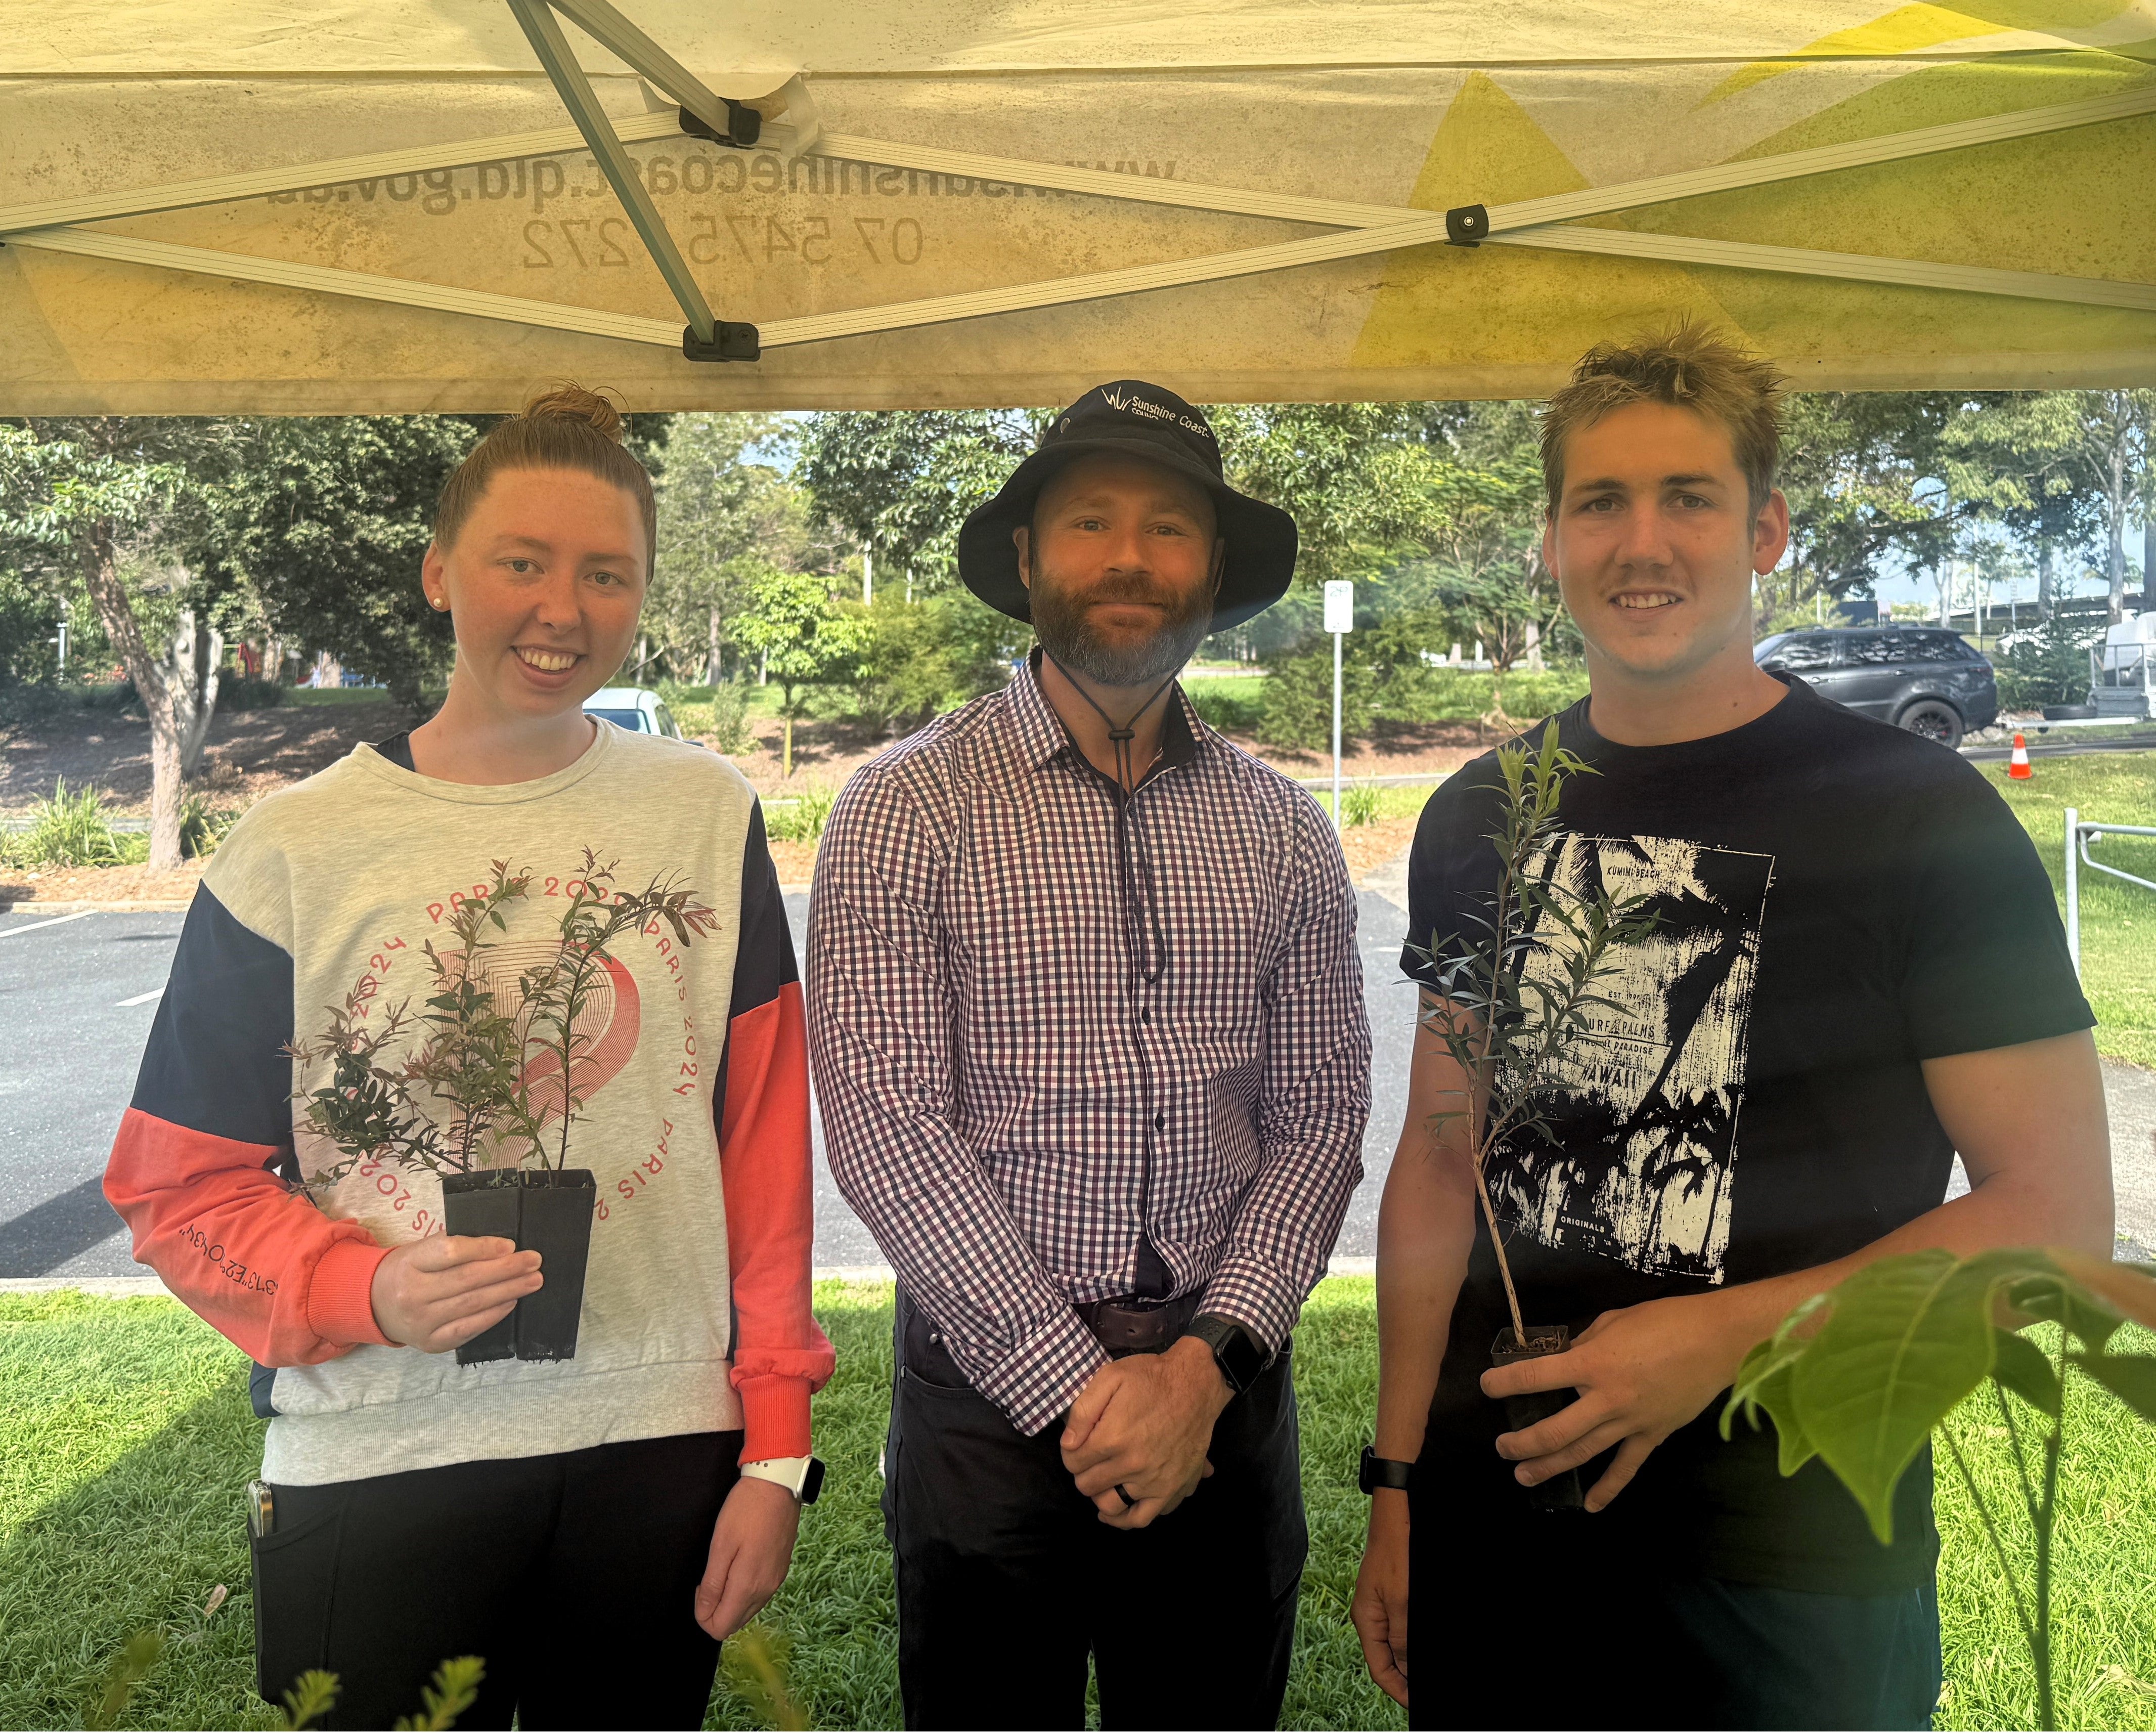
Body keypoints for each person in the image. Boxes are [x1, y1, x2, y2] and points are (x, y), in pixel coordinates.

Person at [1350, 324, 2113, 1731]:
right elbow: (1442, 1160)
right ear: (1551, 539)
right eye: (1601, 500)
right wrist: (1398, 1483)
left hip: (1793, 1556)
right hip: (1503, 1518)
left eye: (1688, 496)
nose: (1644, 542)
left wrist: (1718, 1340)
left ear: (1764, 528)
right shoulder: (1476, 815)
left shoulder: (1918, 819)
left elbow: (2056, 1215)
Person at [104, 386, 834, 1730]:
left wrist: (775, 1445)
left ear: (645, 593)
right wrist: (364, 1286)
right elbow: (177, 1189)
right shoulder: (292, 853)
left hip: (656, 1446)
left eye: (605, 574)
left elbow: (763, 1146)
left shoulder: (703, 815)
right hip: (372, 1452)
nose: (563, 610)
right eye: (522, 562)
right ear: (441, 571)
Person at [806, 380, 1370, 1730]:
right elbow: (887, 1125)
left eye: (1169, 527)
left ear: (1214, 570)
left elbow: (1325, 1112)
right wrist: (1081, 1389)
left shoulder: (1285, 830)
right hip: (988, 1418)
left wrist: (1200, 1374)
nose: (1130, 557)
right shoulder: (905, 808)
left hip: (1226, 1391)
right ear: (1026, 558)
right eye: (1091, 522)